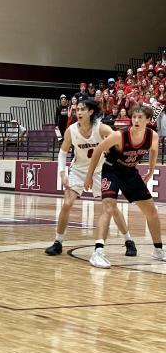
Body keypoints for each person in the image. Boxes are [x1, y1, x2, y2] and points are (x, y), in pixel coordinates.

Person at [45, 99, 136, 257]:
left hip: (101, 170)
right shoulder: (71, 130)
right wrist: (62, 172)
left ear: (91, 112)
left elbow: (120, 142)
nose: (78, 112)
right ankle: (58, 242)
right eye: (77, 109)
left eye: (82, 109)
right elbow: (62, 152)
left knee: (112, 208)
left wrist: (117, 156)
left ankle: (128, 240)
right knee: (67, 203)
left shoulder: (101, 129)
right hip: (79, 170)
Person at [84, 105, 166, 268]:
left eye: (140, 117)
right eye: (134, 117)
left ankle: (158, 250)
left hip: (130, 173)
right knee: (108, 207)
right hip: (111, 170)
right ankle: (98, 253)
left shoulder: (153, 136)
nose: (136, 120)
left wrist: (151, 170)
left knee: (152, 211)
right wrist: (89, 176)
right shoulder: (119, 135)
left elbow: (154, 151)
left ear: (148, 120)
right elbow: (99, 149)